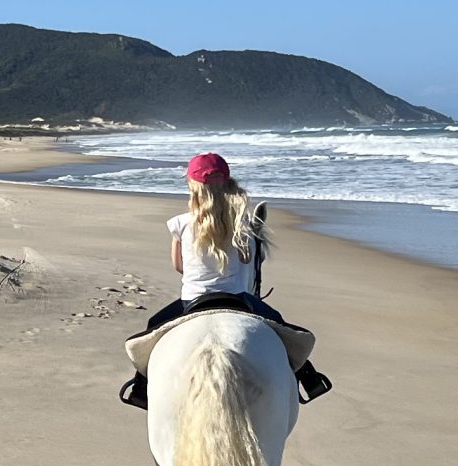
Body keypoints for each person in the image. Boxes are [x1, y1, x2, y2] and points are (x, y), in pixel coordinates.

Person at [119, 151, 330, 408]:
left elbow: (179, 267)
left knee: (151, 332)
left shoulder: (182, 224)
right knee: (288, 336)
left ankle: (141, 389)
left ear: (192, 187)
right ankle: (308, 378)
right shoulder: (244, 224)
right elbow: (249, 261)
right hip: (240, 300)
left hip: (191, 302)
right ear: (229, 183)